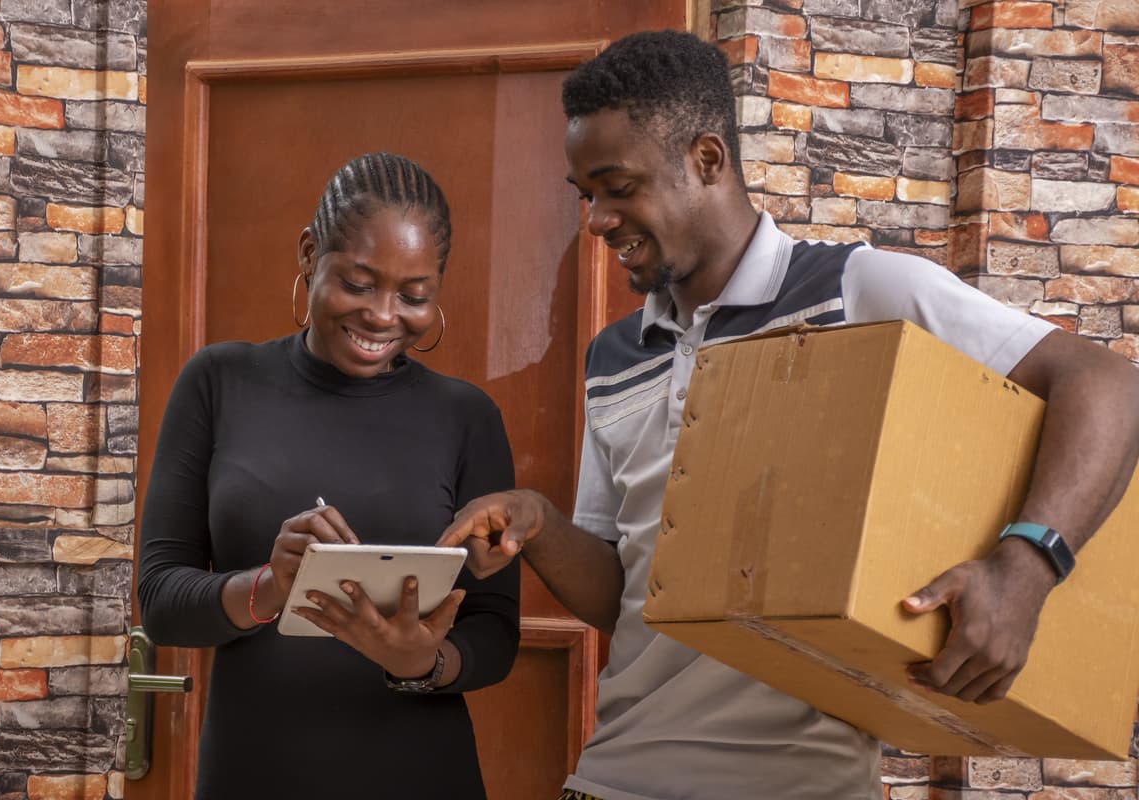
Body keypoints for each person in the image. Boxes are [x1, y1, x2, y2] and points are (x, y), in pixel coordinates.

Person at [438, 30, 1139, 800]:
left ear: (707, 160)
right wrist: (537, 521)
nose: (598, 220)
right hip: (608, 781)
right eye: (586, 195)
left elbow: (1107, 386)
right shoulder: (615, 355)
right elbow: (633, 592)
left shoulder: (860, 292)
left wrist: (1025, 569)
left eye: (617, 187)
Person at [138, 152, 520, 799]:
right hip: (252, 777)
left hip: (423, 778)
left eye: (414, 294)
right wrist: (270, 585)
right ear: (311, 253)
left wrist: (420, 662)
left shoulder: (467, 417)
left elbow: (494, 628)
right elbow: (162, 603)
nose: (382, 314)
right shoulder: (218, 383)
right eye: (360, 282)